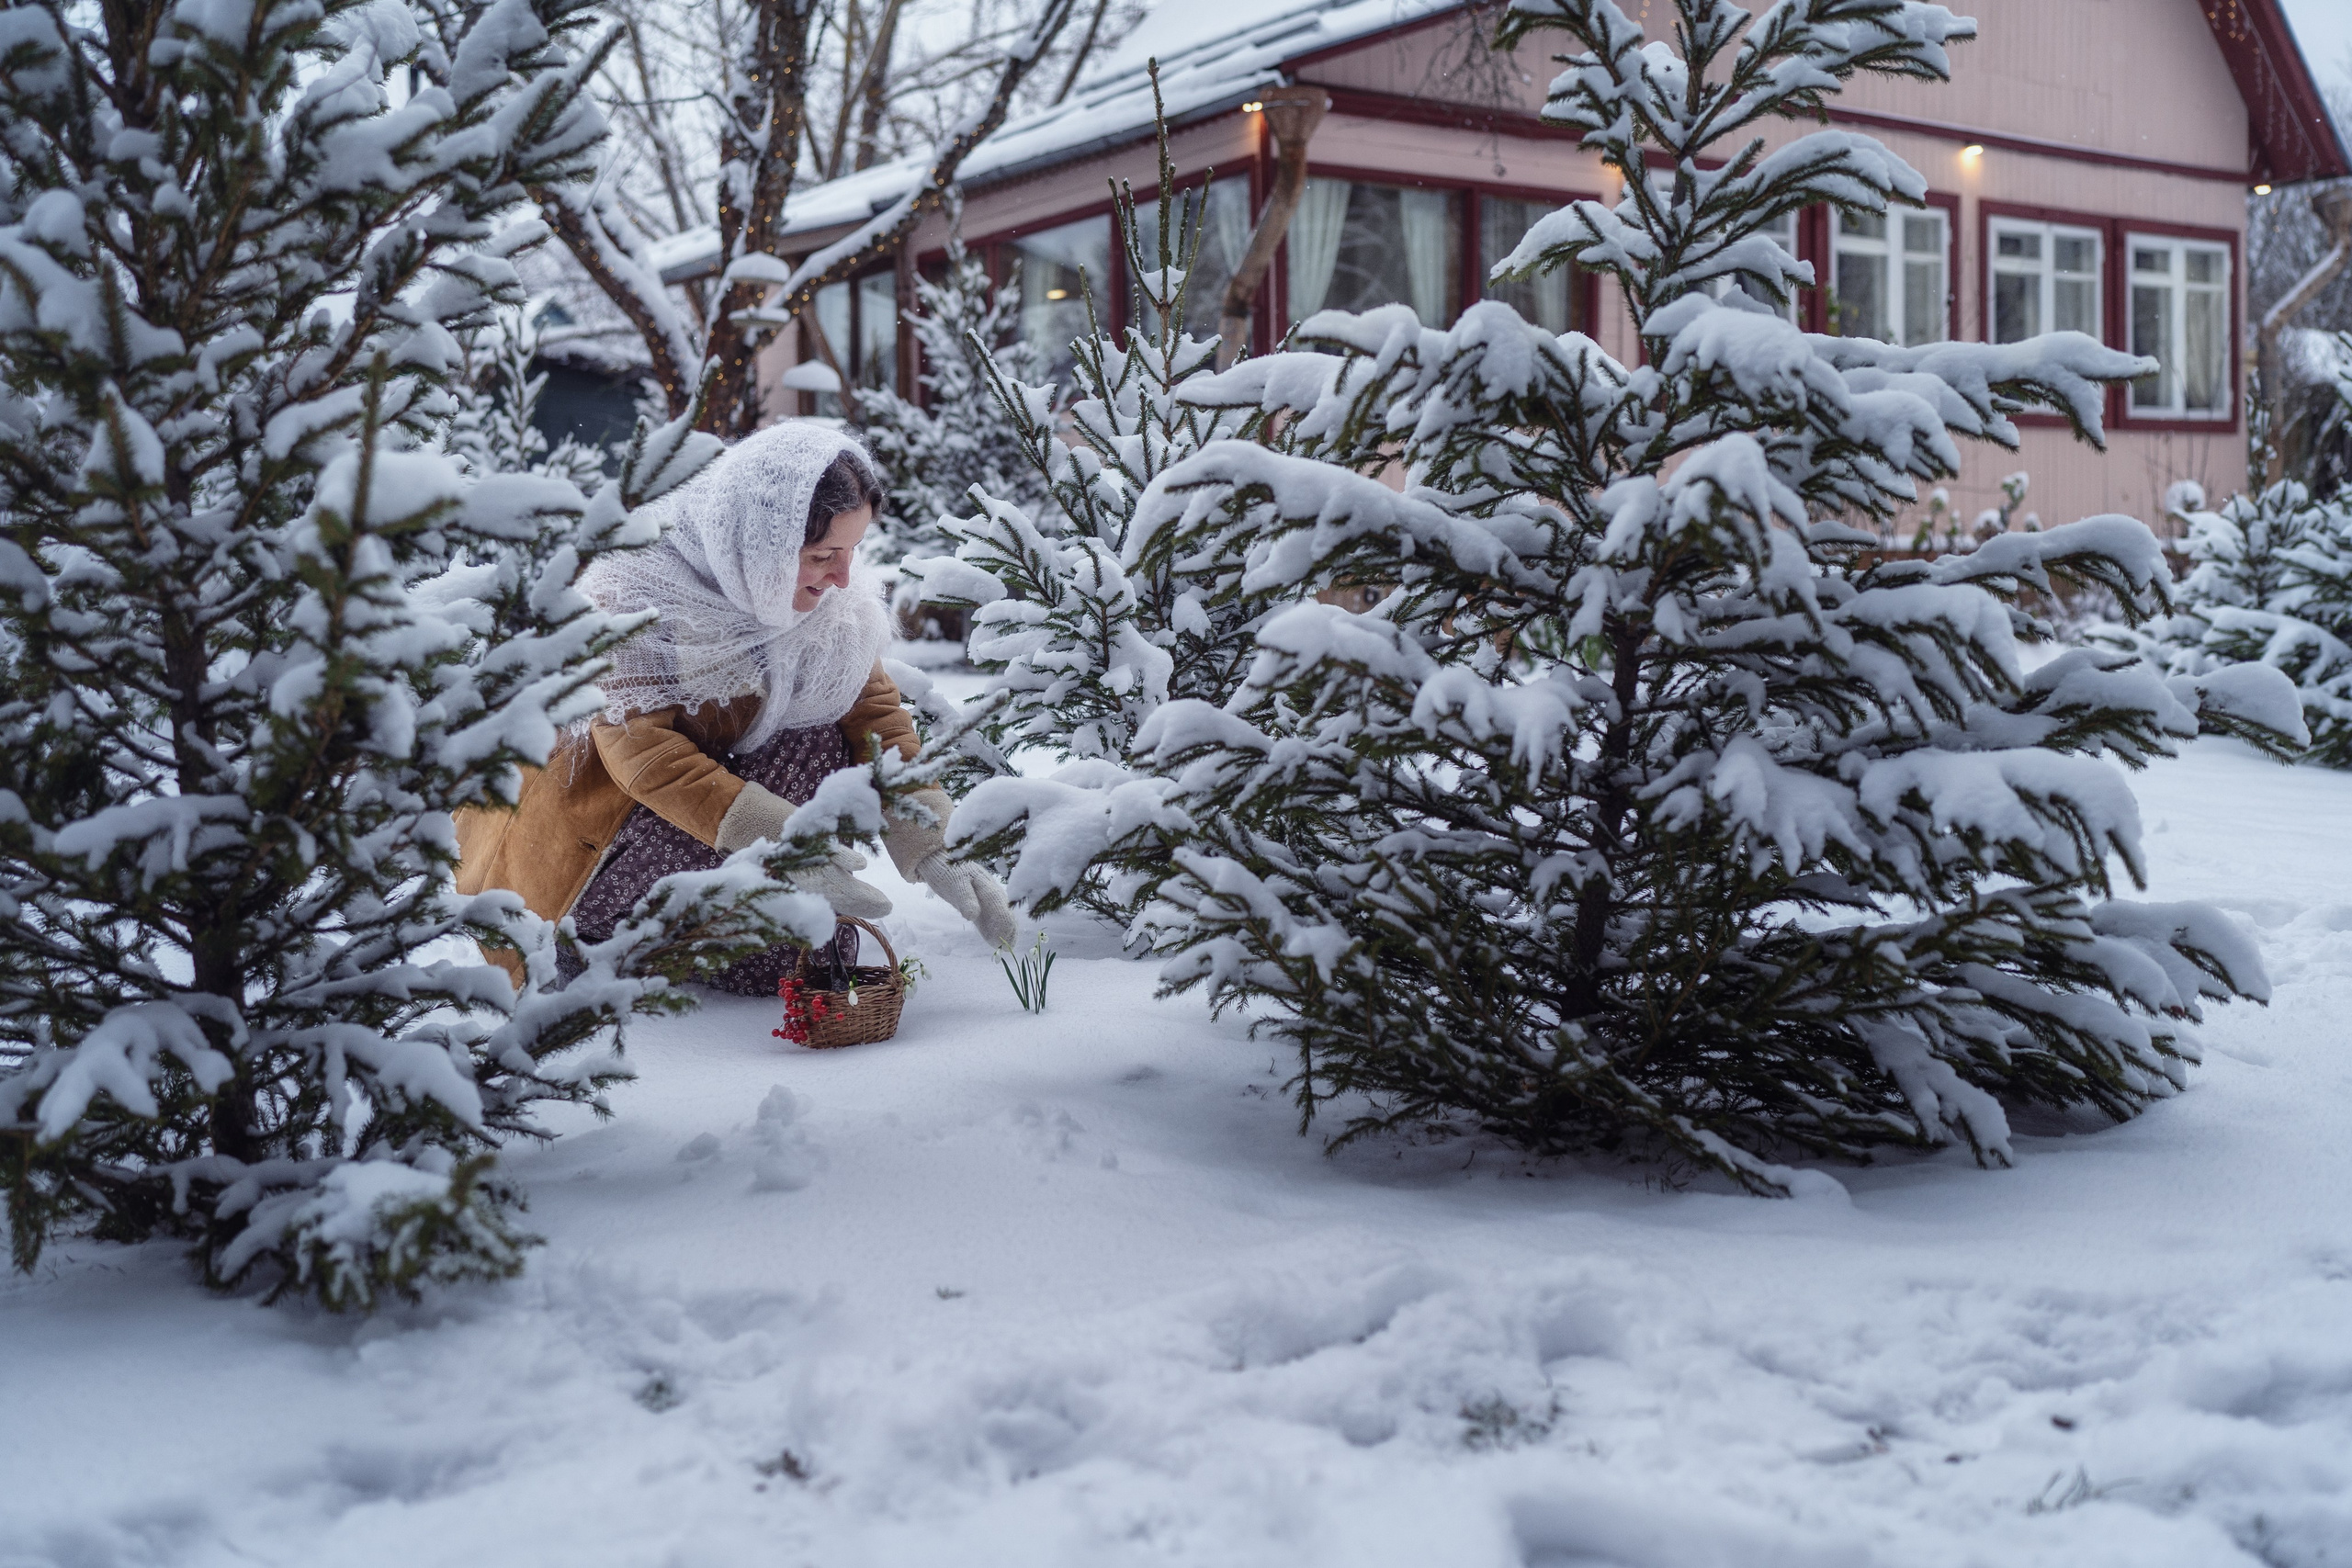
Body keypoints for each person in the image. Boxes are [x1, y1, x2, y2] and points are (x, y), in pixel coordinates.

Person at [455, 422, 1013, 993]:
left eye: (852, 552)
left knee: (807, 952)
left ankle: (726, 924)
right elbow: (646, 757)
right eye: (823, 554)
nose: (844, 578)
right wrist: (785, 842)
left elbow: (876, 719)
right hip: (602, 833)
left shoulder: (830, 605)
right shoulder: (634, 594)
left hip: (717, 820)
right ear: (762, 543)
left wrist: (934, 841)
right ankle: (600, 943)